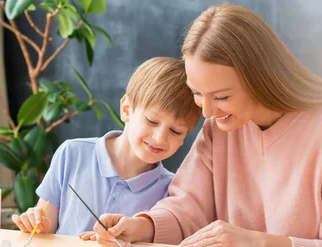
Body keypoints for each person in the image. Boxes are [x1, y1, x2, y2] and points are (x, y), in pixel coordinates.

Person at [93, 4, 322, 247]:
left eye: (221, 96)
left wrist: (256, 242)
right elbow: (187, 209)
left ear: (261, 77)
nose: (207, 112)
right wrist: (140, 227)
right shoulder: (222, 126)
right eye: (197, 93)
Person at [11, 57, 202, 237]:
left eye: (176, 131)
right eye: (152, 121)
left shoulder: (171, 190)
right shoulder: (72, 154)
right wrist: (36, 224)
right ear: (127, 109)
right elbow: (45, 225)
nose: (160, 138)